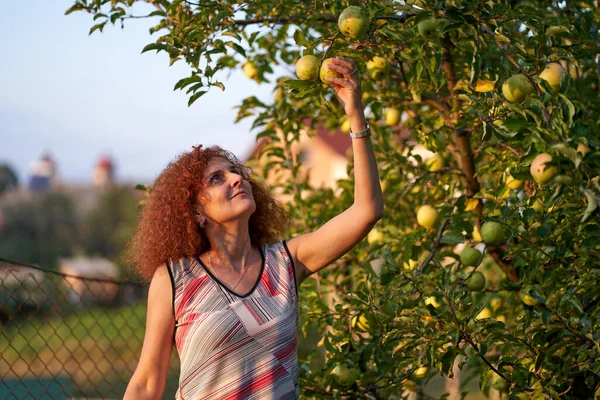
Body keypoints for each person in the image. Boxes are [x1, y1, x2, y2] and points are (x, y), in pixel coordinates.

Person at [123, 56, 384, 400]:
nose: (235, 178)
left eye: (236, 172)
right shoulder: (174, 278)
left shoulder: (285, 262)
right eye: (217, 178)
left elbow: (366, 211)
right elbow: (146, 384)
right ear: (196, 212)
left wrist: (355, 116)